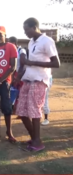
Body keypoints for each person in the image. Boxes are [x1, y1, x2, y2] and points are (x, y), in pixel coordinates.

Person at [16, 17, 60, 151]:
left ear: (34, 27)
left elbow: (56, 63)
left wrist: (32, 63)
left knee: (34, 111)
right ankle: (34, 138)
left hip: (39, 80)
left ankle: (37, 142)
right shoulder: (31, 42)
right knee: (21, 111)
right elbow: (28, 63)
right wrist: (20, 76)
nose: (25, 33)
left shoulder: (47, 41)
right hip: (28, 79)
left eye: (26, 30)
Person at [9, 36, 27, 115]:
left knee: (21, 93)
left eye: (11, 44)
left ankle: (20, 111)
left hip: (21, 74)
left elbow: (23, 64)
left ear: (15, 43)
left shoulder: (21, 50)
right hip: (14, 74)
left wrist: (18, 76)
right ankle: (15, 109)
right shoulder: (12, 51)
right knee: (14, 92)